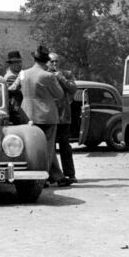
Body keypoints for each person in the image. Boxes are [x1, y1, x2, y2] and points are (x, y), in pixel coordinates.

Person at [10, 45, 68, 186]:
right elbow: (59, 94)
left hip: (27, 115)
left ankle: (57, 176)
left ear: (34, 58)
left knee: (33, 147)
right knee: (47, 149)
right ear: (45, 60)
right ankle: (43, 179)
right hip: (46, 115)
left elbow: (11, 88)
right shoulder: (47, 76)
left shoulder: (23, 73)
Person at [48, 52, 78, 184]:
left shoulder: (66, 74)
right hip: (49, 116)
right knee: (49, 147)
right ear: (47, 62)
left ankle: (70, 174)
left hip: (64, 116)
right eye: (52, 61)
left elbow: (73, 89)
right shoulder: (45, 75)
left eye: (56, 61)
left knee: (65, 146)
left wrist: (61, 77)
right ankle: (51, 175)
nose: (54, 64)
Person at [3, 51, 27, 125]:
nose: (19, 64)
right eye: (16, 62)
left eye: (20, 62)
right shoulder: (11, 77)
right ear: (10, 64)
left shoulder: (14, 74)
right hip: (16, 109)